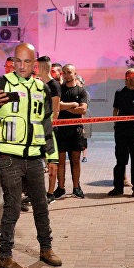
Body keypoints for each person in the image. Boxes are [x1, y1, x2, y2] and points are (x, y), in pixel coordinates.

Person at [0, 42, 61, 268]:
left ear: (35, 64)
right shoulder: (1, 83)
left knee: (41, 205)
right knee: (12, 207)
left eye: (27, 61)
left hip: (35, 158)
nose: (21, 66)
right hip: (9, 158)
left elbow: (46, 125)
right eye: (18, 61)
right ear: (13, 62)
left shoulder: (42, 89)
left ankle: (46, 249)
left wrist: (52, 157)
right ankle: (5, 257)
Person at [108, 68, 134, 197]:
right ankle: (118, 188)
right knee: (120, 162)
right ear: (128, 78)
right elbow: (115, 110)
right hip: (121, 134)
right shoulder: (119, 93)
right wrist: (116, 124)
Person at [54, 63, 89, 199]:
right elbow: (56, 105)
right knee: (60, 161)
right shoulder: (59, 89)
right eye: (64, 72)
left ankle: (76, 187)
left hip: (76, 130)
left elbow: (83, 109)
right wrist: (73, 105)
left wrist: (65, 107)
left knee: (76, 161)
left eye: (69, 72)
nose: (66, 75)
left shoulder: (81, 91)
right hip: (61, 130)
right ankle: (61, 188)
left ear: (75, 73)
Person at [38, 57, 61, 203]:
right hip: (38, 130)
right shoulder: (38, 84)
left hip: (49, 130)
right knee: (38, 163)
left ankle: (50, 193)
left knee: (52, 162)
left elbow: (56, 109)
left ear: (42, 68)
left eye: (36, 67)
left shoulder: (54, 85)